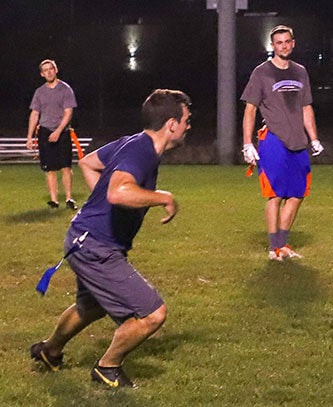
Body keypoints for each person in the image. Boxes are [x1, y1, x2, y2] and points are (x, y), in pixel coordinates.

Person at [29, 89, 192, 388]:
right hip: (95, 247)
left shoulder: (133, 142)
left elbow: (88, 163)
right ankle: (107, 367)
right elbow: (118, 191)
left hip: (83, 238)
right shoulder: (141, 151)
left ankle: (50, 351)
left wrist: (100, 207)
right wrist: (162, 197)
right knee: (153, 314)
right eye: (186, 120)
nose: (188, 126)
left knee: (90, 307)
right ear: (171, 124)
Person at [241, 25, 325, 261]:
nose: (284, 46)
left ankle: (283, 243)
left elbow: (306, 107)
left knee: (298, 194)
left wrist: (314, 138)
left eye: (287, 42)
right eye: (279, 43)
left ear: (293, 43)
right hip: (273, 139)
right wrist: (247, 143)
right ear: (273, 46)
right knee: (275, 195)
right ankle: (273, 247)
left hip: (298, 140)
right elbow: (250, 110)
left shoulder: (300, 72)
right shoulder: (262, 73)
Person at [26, 59, 79, 210]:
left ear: (56, 70)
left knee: (66, 166)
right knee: (49, 169)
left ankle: (69, 198)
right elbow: (35, 114)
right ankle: (54, 201)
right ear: (42, 74)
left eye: (51, 69)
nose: (49, 72)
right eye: (45, 70)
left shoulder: (65, 89)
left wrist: (58, 131)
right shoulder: (39, 92)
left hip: (62, 132)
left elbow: (68, 112)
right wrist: (30, 137)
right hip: (45, 133)